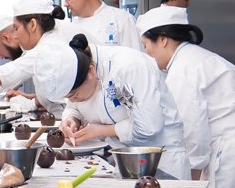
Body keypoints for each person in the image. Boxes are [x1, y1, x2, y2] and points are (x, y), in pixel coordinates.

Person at [55, 34, 190, 180]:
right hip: (123, 158)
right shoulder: (79, 74)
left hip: (160, 160)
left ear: (91, 71)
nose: (74, 100)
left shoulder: (128, 68)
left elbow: (148, 127)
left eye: (74, 95)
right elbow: (73, 106)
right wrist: (71, 119)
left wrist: (101, 131)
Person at [136, 6, 235, 188]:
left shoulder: (183, 70)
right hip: (224, 144)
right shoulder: (192, 58)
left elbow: (192, 129)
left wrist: (192, 177)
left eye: (146, 45)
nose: (147, 53)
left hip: (228, 149)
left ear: (163, 40)